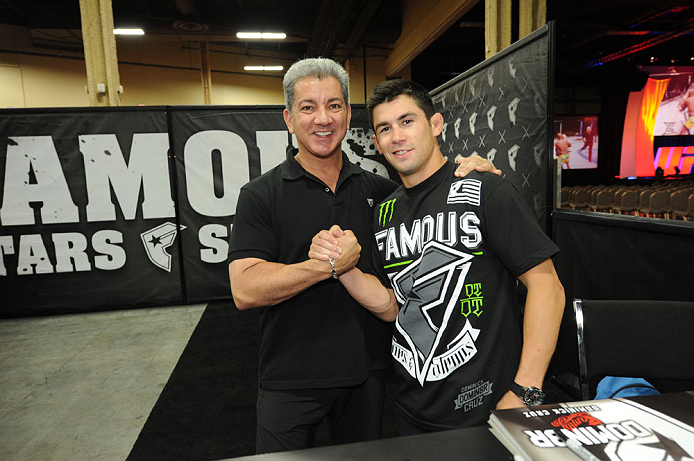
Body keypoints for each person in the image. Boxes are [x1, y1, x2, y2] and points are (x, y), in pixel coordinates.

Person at [227, 59, 498, 453]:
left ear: (348, 114)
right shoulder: (260, 194)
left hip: (367, 374)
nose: (323, 118)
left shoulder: (383, 191)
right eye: (308, 107)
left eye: (334, 105)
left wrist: (482, 174)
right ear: (289, 118)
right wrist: (325, 266)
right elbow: (244, 289)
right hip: (289, 376)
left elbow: (435, 208)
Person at [309, 79, 565, 434]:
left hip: (489, 407)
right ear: (377, 143)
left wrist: (526, 389)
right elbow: (394, 305)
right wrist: (341, 265)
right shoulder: (385, 212)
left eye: (407, 121)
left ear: (435, 125)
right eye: (385, 128)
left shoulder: (484, 189)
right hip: (413, 408)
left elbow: (546, 285)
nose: (396, 136)